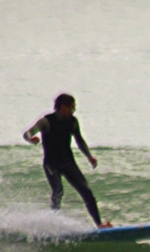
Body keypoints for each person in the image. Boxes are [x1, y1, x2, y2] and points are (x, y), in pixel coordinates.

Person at [23, 92, 108, 227]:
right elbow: (27, 133)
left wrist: (89, 156)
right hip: (52, 164)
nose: (73, 111)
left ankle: (99, 224)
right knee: (58, 191)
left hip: (68, 163)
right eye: (72, 108)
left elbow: (79, 141)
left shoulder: (72, 122)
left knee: (87, 192)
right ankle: (52, 224)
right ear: (63, 107)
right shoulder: (46, 122)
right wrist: (30, 139)